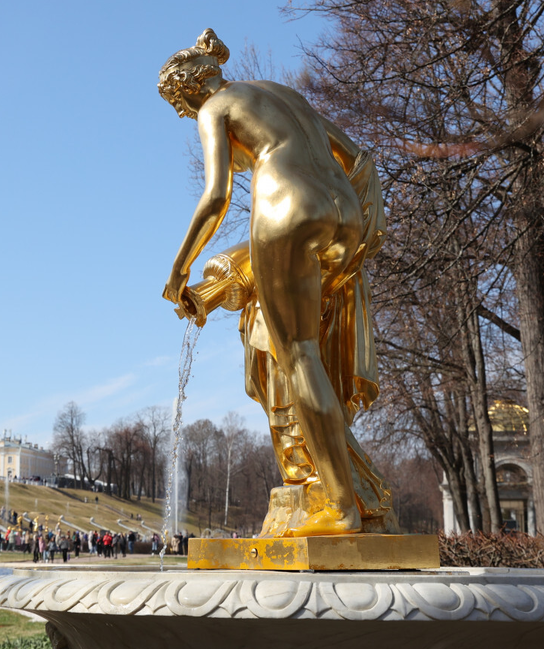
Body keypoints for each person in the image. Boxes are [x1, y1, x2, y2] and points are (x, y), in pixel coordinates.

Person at [158, 28, 395, 537]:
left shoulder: (214, 108)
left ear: (192, 87)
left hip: (286, 211)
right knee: (297, 337)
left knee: (299, 356)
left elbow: (216, 197)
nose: (183, 114)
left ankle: (341, 507)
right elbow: (356, 156)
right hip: (345, 211)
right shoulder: (281, 94)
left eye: (179, 104)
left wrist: (179, 268)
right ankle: (345, 484)